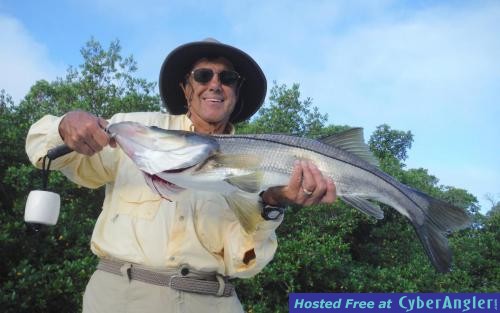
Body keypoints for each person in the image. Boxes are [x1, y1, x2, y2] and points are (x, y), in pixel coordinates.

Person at [25, 38, 337, 313]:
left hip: (215, 302)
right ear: (186, 88)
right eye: (203, 75)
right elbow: (42, 154)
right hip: (121, 296)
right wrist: (65, 124)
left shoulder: (260, 164)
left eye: (227, 78)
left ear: (236, 93)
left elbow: (245, 262)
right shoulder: (135, 130)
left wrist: (272, 204)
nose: (215, 84)